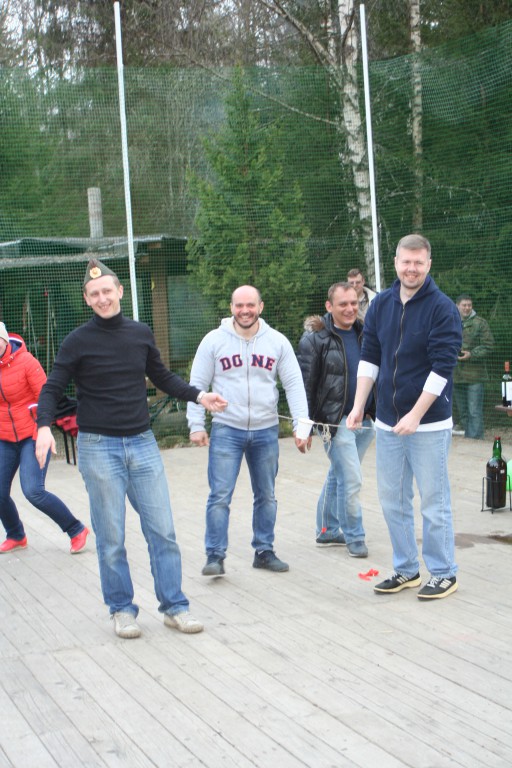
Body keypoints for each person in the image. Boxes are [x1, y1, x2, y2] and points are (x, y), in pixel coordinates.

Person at [35, 259, 228, 639]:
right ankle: (122, 609)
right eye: (94, 294)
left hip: (142, 445)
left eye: (107, 291)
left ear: (120, 291)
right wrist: (43, 427)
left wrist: (199, 395)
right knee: (111, 538)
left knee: (163, 531)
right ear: (87, 299)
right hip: (98, 448)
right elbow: (52, 387)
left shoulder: (140, 334)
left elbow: (162, 377)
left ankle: (175, 607)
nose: (102, 298)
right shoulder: (76, 341)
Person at [347, 234, 462, 600]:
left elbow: (442, 369)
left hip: (429, 425)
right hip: (386, 423)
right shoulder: (380, 304)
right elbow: (370, 357)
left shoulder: (442, 309)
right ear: (396, 262)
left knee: (433, 501)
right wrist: (358, 406)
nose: (411, 269)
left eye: (418, 263)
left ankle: (443, 572)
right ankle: (406, 568)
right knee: (392, 500)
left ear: (428, 264)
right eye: (406, 262)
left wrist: (415, 415)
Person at [187, 285, 310, 577]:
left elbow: (294, 384)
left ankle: (264, 551)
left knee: (266, 495)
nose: (245, 311)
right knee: (220, 495)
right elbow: (197, 385)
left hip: (266, 431)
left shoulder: (277, 342)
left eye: (250, 305)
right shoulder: (213, 341)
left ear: (260, 307)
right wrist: (196, 424)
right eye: (239, 305)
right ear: (231, 307)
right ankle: (215, 556)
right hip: (226, 429)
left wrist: (301, 426)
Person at [297, 283, 375, 557]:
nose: (350, 309)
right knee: (351, 479)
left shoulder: (367, 333)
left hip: (365, 419)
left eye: (354, 303)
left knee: (340, 473)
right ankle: (355, 536)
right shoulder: (314, 340)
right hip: (334, 422)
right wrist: (304, 427)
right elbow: (305, 386)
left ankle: (328, 529)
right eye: (343, 304)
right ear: (329, 306)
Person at [0, 321, 89, 555]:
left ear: (5, 340)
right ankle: (16, 535)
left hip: (33, 434)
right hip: (5, 437)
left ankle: (76, 529)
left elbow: (46, 396)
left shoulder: (27, 362)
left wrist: (42, 430)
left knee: (33, 491)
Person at [452, 294, 494, 440]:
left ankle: (476, 442)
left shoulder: (480, 323)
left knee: (474, 411)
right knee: (463, 412)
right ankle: (469, 441)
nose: (467, 308)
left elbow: (489, 346)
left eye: (469, 305)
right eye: (464, 305)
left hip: (475, 376)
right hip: (456, 375)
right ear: (457, 306)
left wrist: (471, 354)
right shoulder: (450, 322)